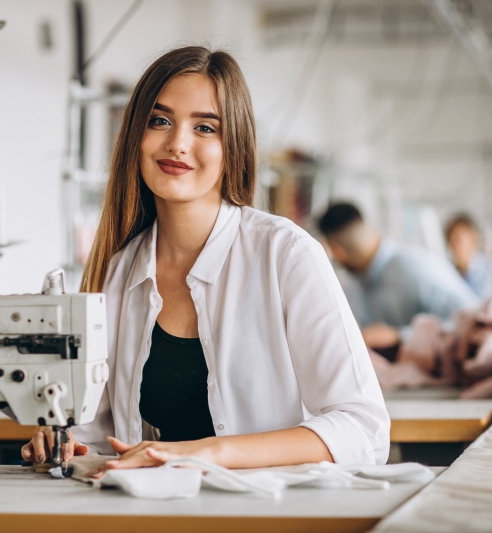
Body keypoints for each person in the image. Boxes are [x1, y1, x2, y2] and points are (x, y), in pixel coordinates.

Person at [21, 46, 389, 472]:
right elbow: (97, 431)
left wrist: (212, 450)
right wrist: (65, 441)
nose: (177, 143)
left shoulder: (286, 255)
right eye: (160, 121)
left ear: (233, 146)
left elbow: (364, 429)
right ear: (135, 137)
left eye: (205, 128)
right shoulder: (118, 271)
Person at [318, 202, 480, 352]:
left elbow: (474, 320)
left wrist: (400, 336)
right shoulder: (355, 286)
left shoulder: (415, 268)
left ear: (337, 251)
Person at [445, 213, 492, 301]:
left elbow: (480, 304)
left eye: (458, 239)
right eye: (450, 240)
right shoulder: (449, 270)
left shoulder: (487, 271)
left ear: (473, 239)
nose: (454, 245)